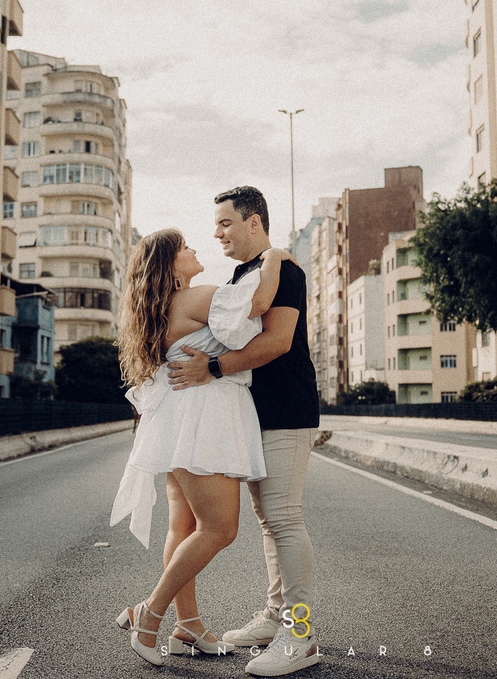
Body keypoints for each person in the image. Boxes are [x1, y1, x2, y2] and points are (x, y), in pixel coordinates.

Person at [110, 229, 292, 666]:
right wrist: (273, 257)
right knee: (220, 529)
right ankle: (150, 614)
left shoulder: (164, 307)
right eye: (184, 248)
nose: (193, 249)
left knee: (184, 525)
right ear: (170, 265)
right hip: (203, 419)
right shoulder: (196, 298)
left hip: (178, 418)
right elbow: (258, 303)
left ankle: (188, 624)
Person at [167, 187, 321, 677]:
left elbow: (278, 342)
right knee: (268, 521)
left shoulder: (286, 271)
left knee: (284, 519)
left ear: (254, 222)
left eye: (226, 223)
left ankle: (300, 635)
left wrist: (211, 368)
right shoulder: (242, 276)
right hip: (254, 415)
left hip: (286, 409)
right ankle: (276, 617)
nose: (217, 233)